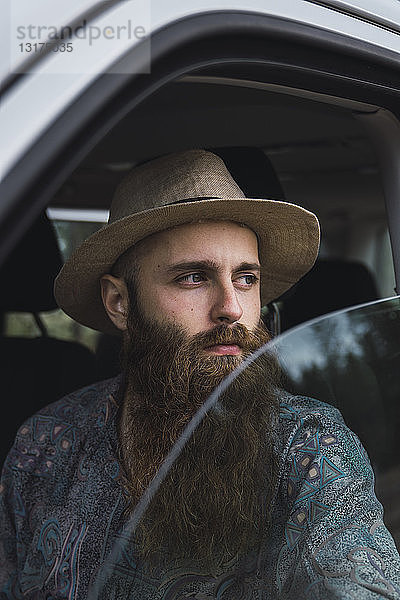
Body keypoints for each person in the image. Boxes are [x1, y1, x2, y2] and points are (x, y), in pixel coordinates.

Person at [1, 149, 399, 599]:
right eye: (193, 277)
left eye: (246, 278)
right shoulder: (45, 440)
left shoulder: (308, 445)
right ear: (119, 303)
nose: (231, 307)